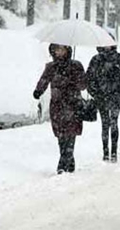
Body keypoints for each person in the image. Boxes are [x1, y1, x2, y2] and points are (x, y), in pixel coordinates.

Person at [33, 44, 87, 174]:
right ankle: (68, 158)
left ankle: (64, 162)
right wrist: (38, 91)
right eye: (57, 50)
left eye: (62, 49)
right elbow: (44, 80)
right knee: (61, 135)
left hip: (73, 105)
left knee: (71, 133)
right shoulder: (51, 67)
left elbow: (83, 85)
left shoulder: (76, 65)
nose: (59, 52)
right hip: (57, 105)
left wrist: (74, 78)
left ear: (67, 50)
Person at [86, 42, 120, 163]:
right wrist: (95, 92)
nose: (107, 46)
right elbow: (89, 78)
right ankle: (106, 152)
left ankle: (114, 152)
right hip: (102, 97)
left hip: (116, 96)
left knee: (114, 123)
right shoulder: (96, 60)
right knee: (105, 124)